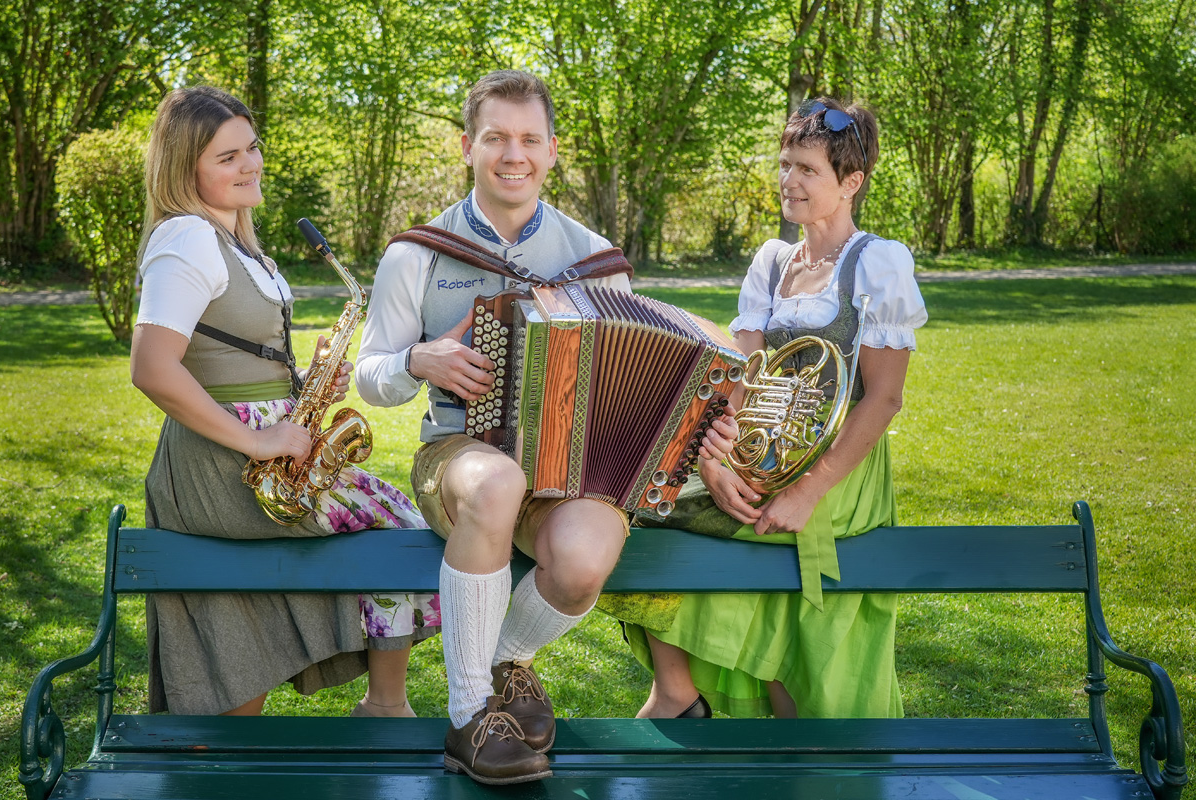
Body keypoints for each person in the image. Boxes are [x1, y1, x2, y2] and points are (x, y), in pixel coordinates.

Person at [355, 70, 736, 785]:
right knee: (498, 481)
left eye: (530, 139)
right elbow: (369, 374)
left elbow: (642, 380)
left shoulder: (594, 257)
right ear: (468, 146)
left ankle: (508, 661)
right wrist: (417, 359)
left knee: (588, 556)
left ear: (553, 150)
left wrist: (699, 427)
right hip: (460, 456)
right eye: (496, 137)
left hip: (574, 470)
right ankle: (471, 716)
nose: (514, 155)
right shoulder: (418, 253)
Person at [129, 86, 440, 719]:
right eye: (227, 158)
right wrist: (259, 440)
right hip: (226, 464)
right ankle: (385, 706)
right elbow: (152, 368)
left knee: (395, 531)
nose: (250, 165)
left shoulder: (233, 239)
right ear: (185, 169)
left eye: (252, 147)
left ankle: (368, 707)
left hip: (258, 448)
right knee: (403, 530)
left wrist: (302, 384)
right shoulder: (187, 237)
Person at [617, 97, 927, 721]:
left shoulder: (877, 263)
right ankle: (674, 691)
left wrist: (808, 491)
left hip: (837, 469)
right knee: (640, 504)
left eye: (808, 169)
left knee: (752, 539)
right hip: (762, 450)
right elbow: (738, 382)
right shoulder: (773, 263)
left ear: (851, 183)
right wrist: (714, 462)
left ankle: (783, 722)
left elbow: (885, 398)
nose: (790, 180)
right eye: (786, 164)